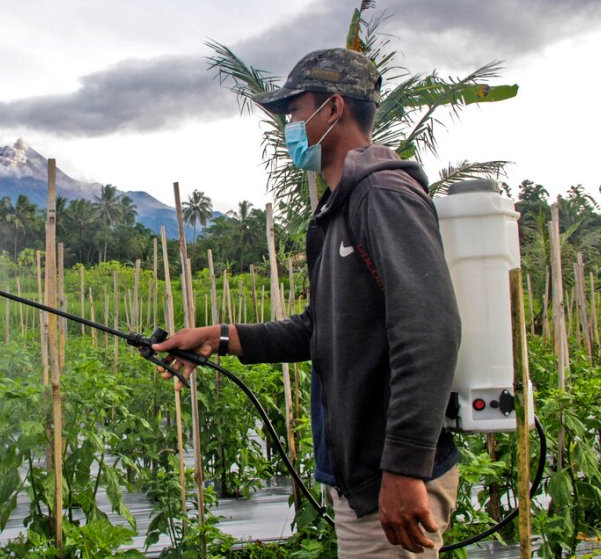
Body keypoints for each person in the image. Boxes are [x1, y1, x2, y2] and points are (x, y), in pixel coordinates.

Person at [154, 48, 461, 557]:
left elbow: (430, 330)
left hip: (389, 477)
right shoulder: (338, 208)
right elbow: (320, 328)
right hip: (364, 476)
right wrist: (219, 337)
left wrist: (405, 468)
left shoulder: (382, 195)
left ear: (334, 108)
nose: (288, 127)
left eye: (294, 111)